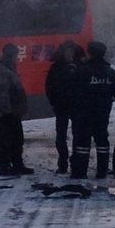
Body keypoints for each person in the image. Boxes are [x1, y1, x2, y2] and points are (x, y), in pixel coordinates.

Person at [71, 40, 115, 179]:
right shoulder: (110, 72)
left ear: (90, 53)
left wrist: (80, 104)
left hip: (85, 113)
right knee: (102, 142)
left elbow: (74, 90)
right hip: (102, 113)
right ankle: (102, 171)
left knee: (83, 142)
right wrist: (107, 100)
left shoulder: (82, 71)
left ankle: (80, 172)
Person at [0, 42, 33, 176]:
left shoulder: (9, 68)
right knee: (7, 139)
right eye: (15, 55)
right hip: (7, 113)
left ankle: (17, 164)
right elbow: (2, 93)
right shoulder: (2, 70)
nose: (16, 58)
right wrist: (6, 111)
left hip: (14, 111)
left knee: (17, 139)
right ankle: (5, 166)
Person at [45, 40, 84, 174]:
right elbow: (49, 86)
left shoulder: (80, 66)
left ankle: (74, 162)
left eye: (71, 51)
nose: (69, 54)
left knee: (77, 135)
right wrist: (54, 101)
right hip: (61, 105)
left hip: (75, 106)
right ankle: (63, 163)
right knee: (61, 137)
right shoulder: (56, 68)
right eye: (67, 51)